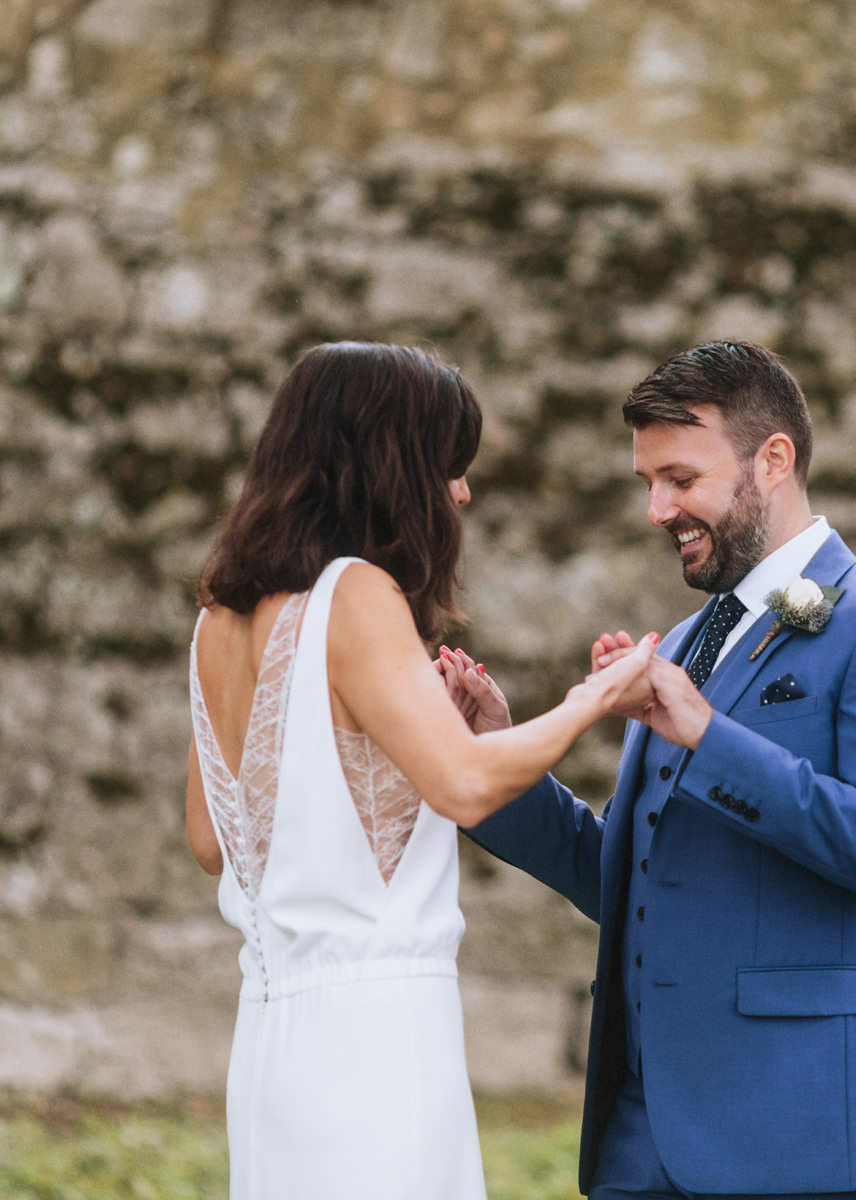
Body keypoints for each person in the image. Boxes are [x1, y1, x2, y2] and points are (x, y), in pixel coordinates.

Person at [442, 341, 856, 1199]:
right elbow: (631, 876)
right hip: (641, 1147)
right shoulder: (685, 643)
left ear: (774, 460)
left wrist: (708, 735)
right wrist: (497, 759)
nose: (657, 508)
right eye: (648, 482)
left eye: (680, 479)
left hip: (801, 1143)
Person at [184, 341, 657, 1200]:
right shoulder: (357, 594)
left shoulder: (221, 617)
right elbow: (466, 784)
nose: (463, 491)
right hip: (377, 1034)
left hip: (272, 1037)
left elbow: (211, 839)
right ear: (390, 462)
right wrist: (594, 700)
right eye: (450, 464)